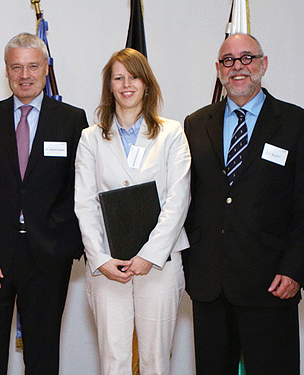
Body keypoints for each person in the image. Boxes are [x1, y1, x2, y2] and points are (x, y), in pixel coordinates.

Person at [183, 33, 304, 374]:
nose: (237, 67)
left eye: (247, 58)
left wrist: (295, 268)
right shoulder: (196, 124)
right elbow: (188, 201)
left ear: (263, 64)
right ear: (218, 69)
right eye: (228, 60)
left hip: (271, 282)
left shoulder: (296, 123)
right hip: (209, 283)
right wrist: (189, 266)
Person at [0, 32, 88, 374]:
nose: (25, 75)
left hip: (47, 256)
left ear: (46, 69)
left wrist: (64, 246)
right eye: (16, 67)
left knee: (43, 359)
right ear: (6, 71)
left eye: (33, 66)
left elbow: (80, 188)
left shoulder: (72, 120)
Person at [74, 48, 190, 375]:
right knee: (114, 361)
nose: (126, 85)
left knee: (156, 361)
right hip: (108, 266)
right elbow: (85, 203)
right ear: (109, 86)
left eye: (134, 77)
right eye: (118, 78)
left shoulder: (171, 133)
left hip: (159, 265)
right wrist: (100, 259)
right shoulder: (90, 138)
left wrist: (149, 255)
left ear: (147, 84)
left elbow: (178, 199)